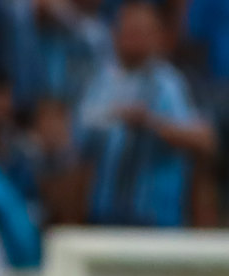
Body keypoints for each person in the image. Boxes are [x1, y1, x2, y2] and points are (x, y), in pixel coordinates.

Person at [76, 1, 214, 228]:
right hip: (103, 216)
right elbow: (78, 142)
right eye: (128, 30)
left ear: (157, 36)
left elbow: (204, 140)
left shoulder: (169, 83)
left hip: (153, 219)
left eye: (140, 32)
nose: (133, 38)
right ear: (115, 33)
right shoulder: (100, 82)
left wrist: (151, 122)